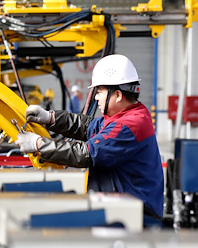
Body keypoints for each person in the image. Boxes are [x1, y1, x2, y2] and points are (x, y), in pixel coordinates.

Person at [15, 54, 164, 219]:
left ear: (118, 95)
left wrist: (38, 144)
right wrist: (50, 118)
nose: (96, 97)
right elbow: (87, 126)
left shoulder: (128, 125)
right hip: (123, 208)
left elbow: (86, 153)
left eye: (99, 92)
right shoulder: (128, 115)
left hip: (136, 216)